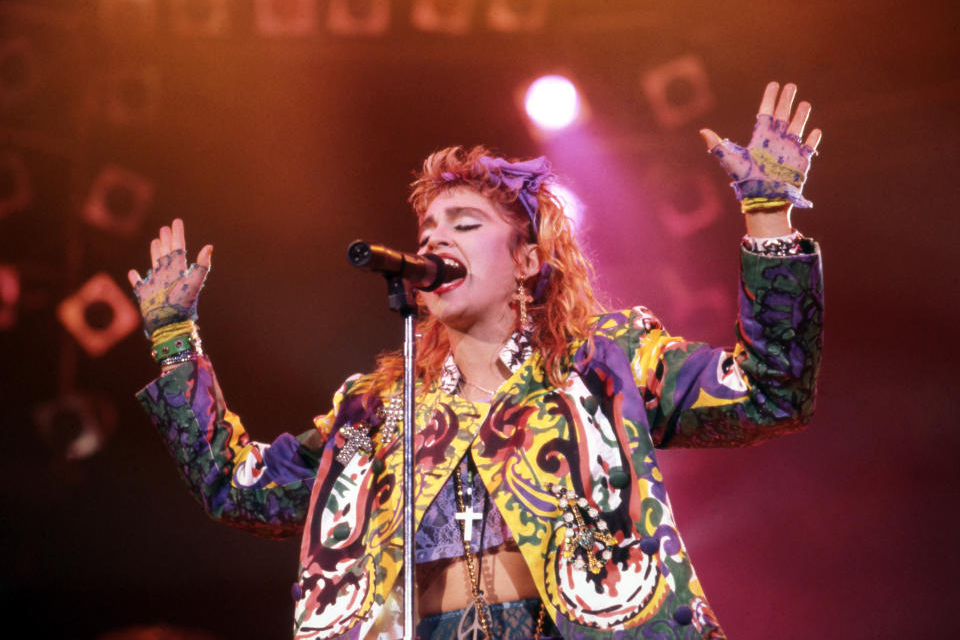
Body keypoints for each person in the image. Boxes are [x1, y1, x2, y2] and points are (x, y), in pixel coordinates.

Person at [130, 82, 824, 640]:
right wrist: (172, 340)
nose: (437, 239)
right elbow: (238, 485)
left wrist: (768, 216)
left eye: (465, 223)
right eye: (429, 229)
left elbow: (767, 391)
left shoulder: (600, 362)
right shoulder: (379, 408)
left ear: (527, 260)